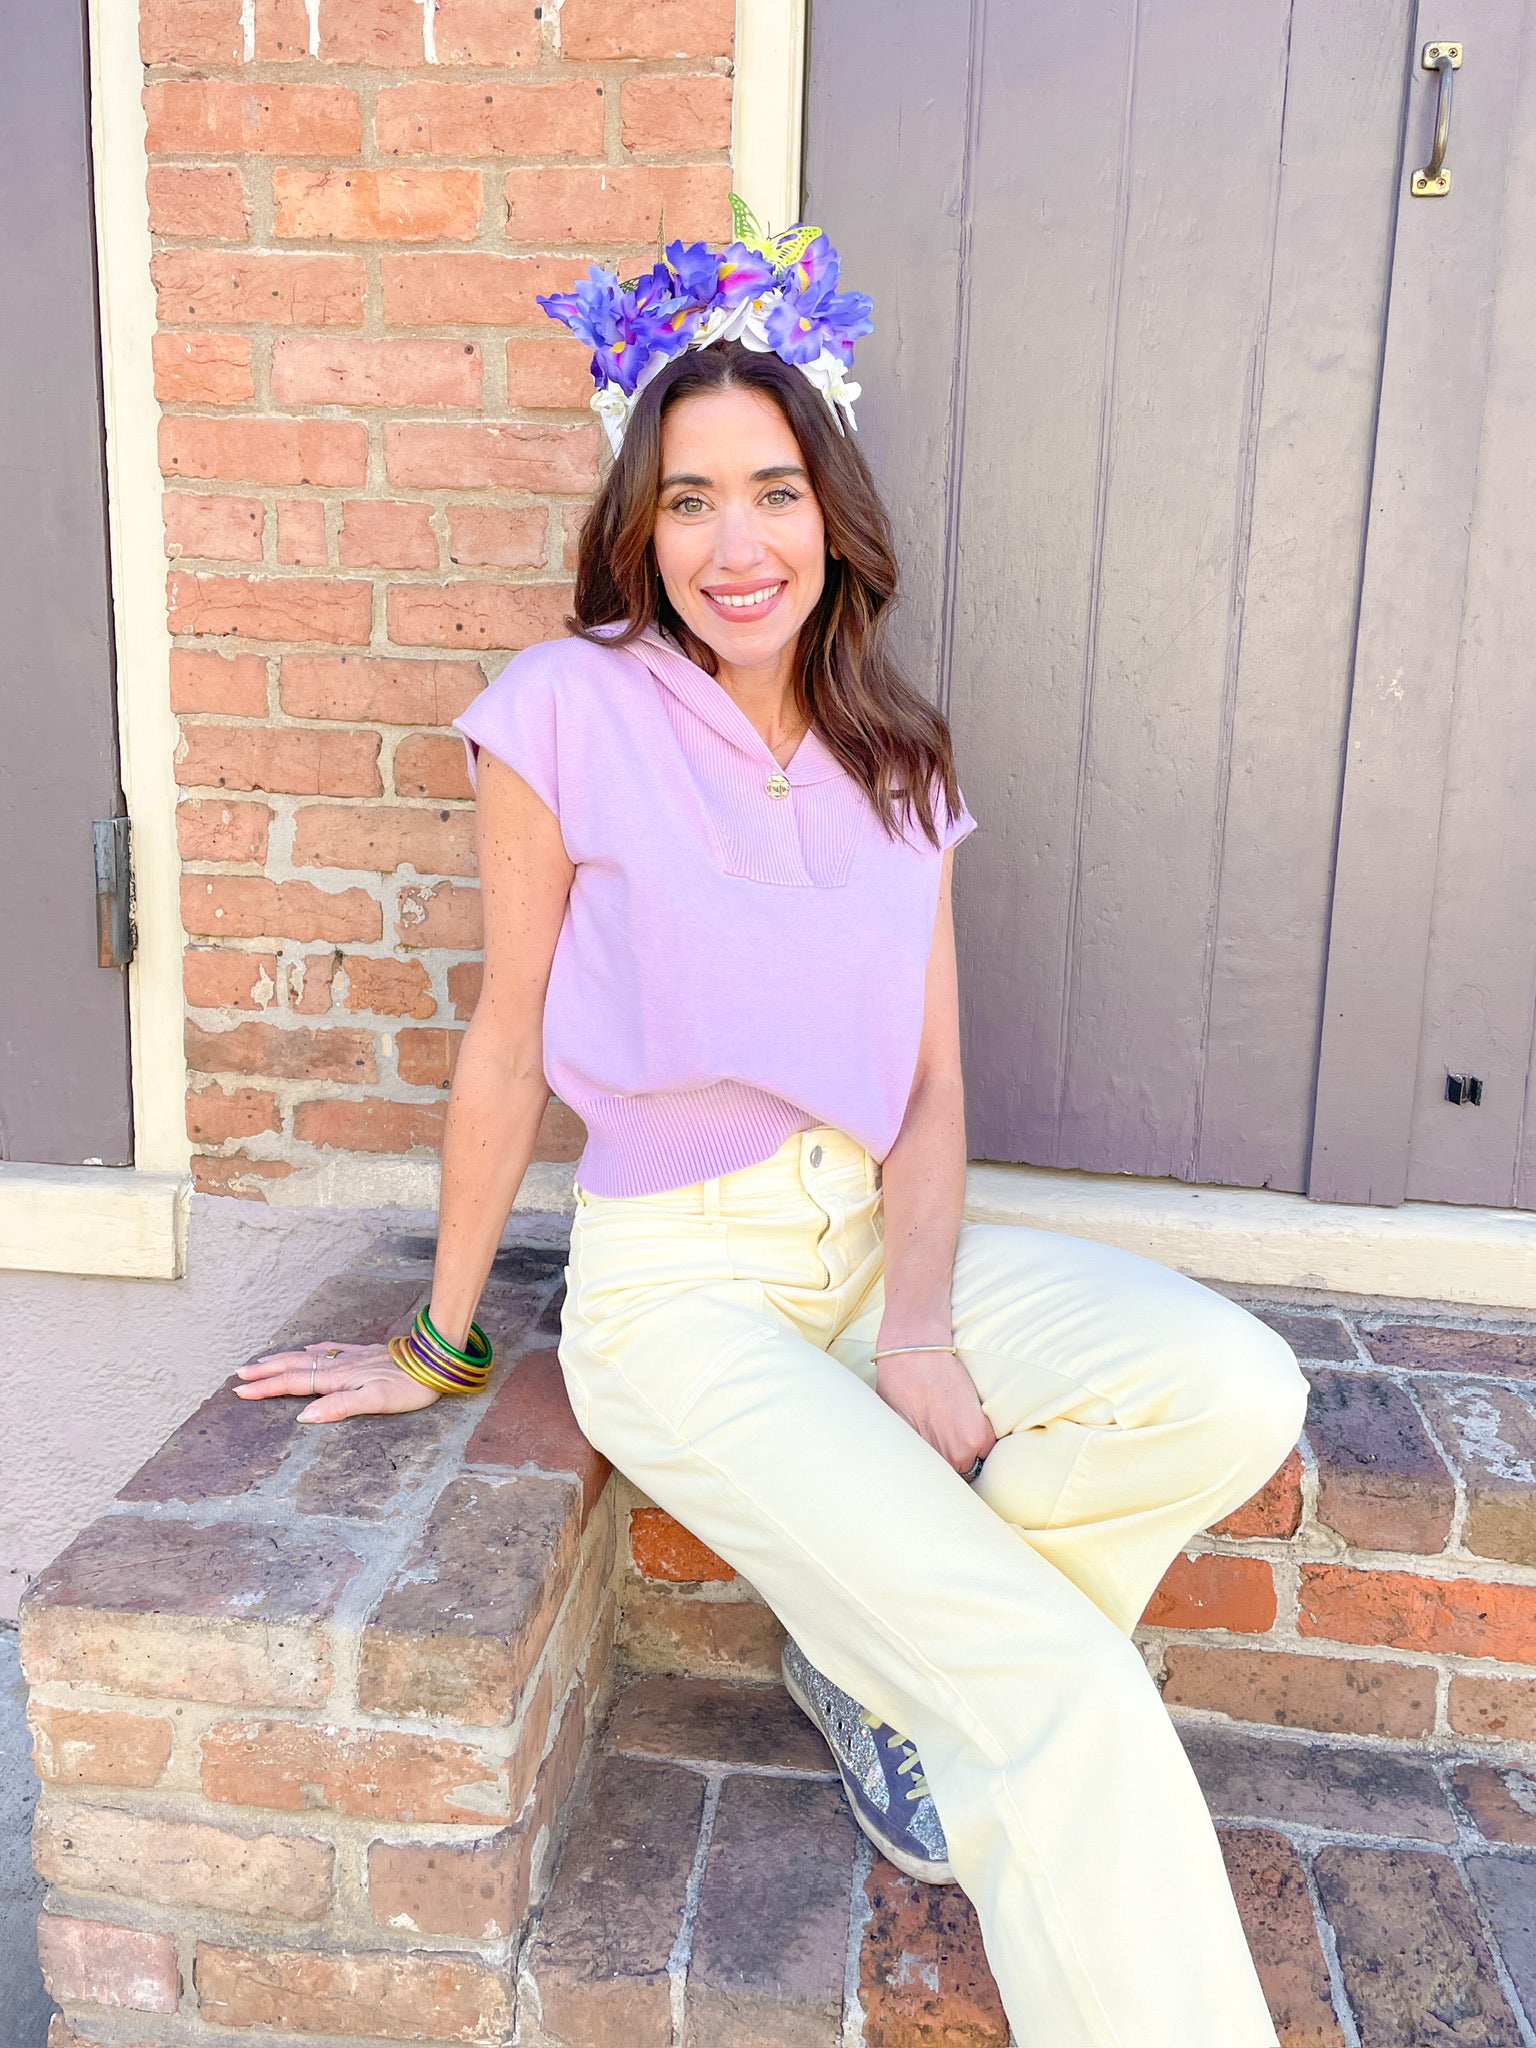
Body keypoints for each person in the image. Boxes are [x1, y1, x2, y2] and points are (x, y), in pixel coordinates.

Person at [237, 205, 1309, 2048]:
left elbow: (934, 1087)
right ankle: (953, 1691)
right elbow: (507, 1041)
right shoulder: (564, 708)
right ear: (638, 526)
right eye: (690, 501)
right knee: (1054, 1691)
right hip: (684, 1298)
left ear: (833, 510)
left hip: (867, 1249)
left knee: (1231, 1387)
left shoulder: (899, 756)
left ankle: (885, 1672)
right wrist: (442, 1336)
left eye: (774, 492)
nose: (737, 546)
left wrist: (919, 1322)